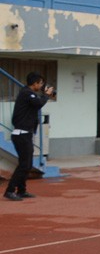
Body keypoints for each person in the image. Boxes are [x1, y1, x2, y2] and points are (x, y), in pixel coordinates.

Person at [4, 73, 55, 201]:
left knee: (27, 164)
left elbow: (37, 102)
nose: (42, 86)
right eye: (41, 83)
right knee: (24, 165)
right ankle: (10, 191)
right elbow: (38, 103)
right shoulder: (27, 93)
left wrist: (47, 95)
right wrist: (47, 95)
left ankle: (21, 190)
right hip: (21, 134)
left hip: (25, 134)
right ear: (35, 83)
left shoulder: (29, 94)